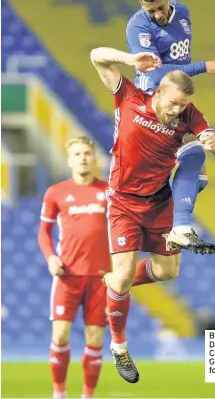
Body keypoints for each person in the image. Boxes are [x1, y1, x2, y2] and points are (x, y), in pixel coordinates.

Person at [90, 46, 215, 383]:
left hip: (159, 201)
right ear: (160, 91)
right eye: (173, 104)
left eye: (183, 106)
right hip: (123, 202)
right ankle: (120, 347)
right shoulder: (128, 97)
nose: (177, 111)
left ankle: (111, 289)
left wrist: (214, 142)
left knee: (166, 273)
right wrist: (128, 60)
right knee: (122, 276)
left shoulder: (189, 116)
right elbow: (97, 55)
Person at [126, 0, 215, 245]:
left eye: (160, 7)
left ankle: (179, 227)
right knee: (190, 159)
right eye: (149, 10)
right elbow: (155, 74)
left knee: (197, 165)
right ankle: (176, 224)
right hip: (151, 103)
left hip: (174, 101)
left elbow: (175, 67)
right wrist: (203, 66)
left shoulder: (183, 13)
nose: (156, 15)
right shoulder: (137, 26)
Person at [38, 136, 110, 399]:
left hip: (102, 278)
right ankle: (59, 394)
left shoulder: (109, 191)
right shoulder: (56, 192)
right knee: (60, 336)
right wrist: (50, 258)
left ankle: (87, 395)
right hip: (67, 276)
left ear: (95, 158)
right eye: (77, 154)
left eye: (87, 153)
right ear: (69, 160)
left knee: (95, 339)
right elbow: (44, 232)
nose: (82, 158)